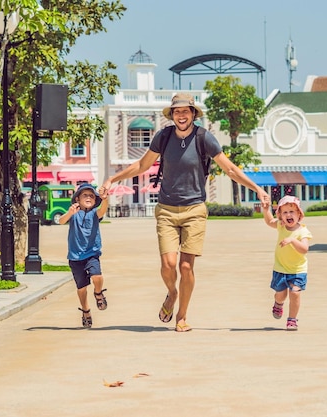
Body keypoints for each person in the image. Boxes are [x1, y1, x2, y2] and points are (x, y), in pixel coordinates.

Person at [98, 93, 270, 332]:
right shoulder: (163, 137)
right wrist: (112, 179)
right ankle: (171, 293)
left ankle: (182, 316)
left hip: (195, 210)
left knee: (186, 267)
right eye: (177, 111)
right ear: (173, 115)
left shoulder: (204, 138)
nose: (181, 115)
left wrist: (257, 189)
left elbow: (229, 169)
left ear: (192, 114)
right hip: (167, 209)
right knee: (168, 264)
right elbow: (142, 165)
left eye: (185, 111)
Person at [58, 183, 109, 329]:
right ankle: (86, 310)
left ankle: (98, 293)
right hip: (75, 257)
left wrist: (104, 199)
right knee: (81, 287)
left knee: (97, 277)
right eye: (85, 195)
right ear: (77, 199)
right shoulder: (74, 214)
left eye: (92, 196)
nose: (88, 197)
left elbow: (102, 210)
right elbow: (61, 221)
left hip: (92, 253)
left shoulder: (94, 213)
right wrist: (69, 213)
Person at [261, 195, 312, 331]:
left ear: (299, 214)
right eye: (284, 212)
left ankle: (292, 320)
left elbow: (304, 249)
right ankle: (278, 303)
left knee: (295, 293)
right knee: (281, 294)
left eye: (292, 211)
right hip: (280, 268)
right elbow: (269, 221)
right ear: (281, 216)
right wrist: (266, 210)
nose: (288, 215)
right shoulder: (281, 227)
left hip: (297, 270)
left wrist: (292, 240)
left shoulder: (303, 231)